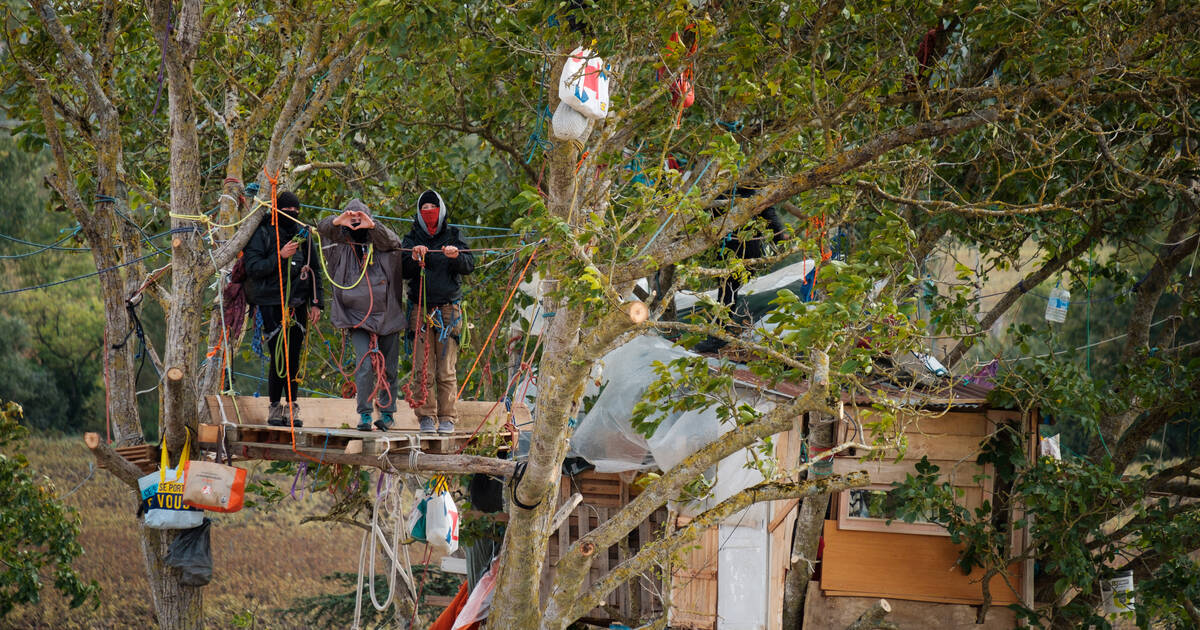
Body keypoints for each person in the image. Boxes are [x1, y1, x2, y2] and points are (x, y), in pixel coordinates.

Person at [317, 199, 406, 432]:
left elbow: (393, 241)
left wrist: (371, 225)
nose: (356, 221)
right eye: (352, 217)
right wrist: (339, 220)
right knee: (364, 365)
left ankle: (387, 413)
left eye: (360, 217)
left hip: (387, 314)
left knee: (390, 368)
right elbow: (321, 228)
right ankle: (365, 414)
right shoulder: (338, 243)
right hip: (355, 316)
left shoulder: (381, 240)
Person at [242, 191, 324, 427]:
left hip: (297, 304)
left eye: (296, 212)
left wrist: (316, 303)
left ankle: (292, 406)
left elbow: (315, 270)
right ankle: (275, 407)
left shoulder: (303, 235)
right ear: (277, 211)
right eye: (288, 211)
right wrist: (279, 256)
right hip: (271, 303)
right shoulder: (263, 233)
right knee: (279, 356)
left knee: (294, 358)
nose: (293, 215)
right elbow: (253, 267)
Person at [402, 190, 475, 434]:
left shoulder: (454, 235)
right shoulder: (411, 237)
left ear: (441, 209)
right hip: (420, 309)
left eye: (433, 206)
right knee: (423, 368)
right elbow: (402, 269)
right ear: (419, 213)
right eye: (425, 208)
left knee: (446, 368)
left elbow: (469, 265)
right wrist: (413, 257)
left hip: (448, 310)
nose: (429, 211)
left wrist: (455, 256)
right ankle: (425, 417)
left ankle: (447, 418)